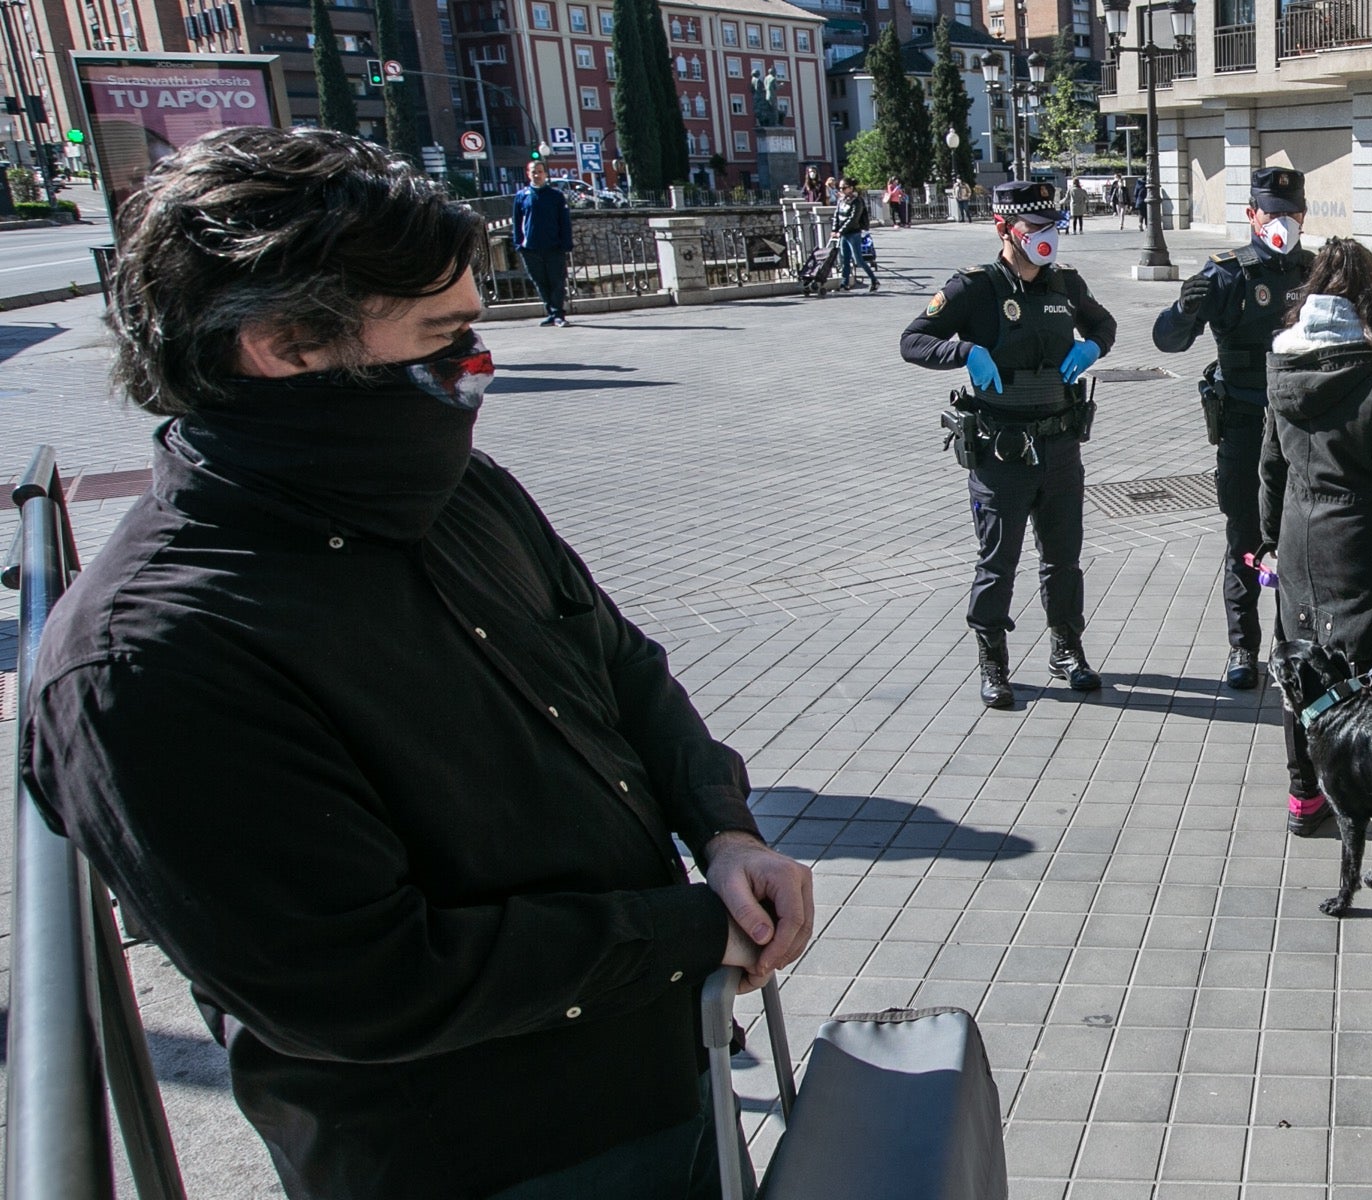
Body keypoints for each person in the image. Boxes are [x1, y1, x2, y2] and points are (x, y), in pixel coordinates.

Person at [20, 126, 815, 1200]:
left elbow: (620, 665)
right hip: (482, 1163)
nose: (479, 370)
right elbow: (364, 984)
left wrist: (719, 825)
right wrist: (687, 931)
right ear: (289, 343)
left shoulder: (457, 491)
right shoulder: (148, 662)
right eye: (445, 340)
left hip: (662, 1081)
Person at [899, 180, 1116, 708]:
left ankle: (1067, 649)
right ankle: (993, 662)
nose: (1048, 238)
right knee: (999, 561)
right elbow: (912, 339)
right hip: (1003, 451)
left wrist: (1092, 347)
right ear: (1005, 230)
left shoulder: (1065, 284)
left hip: (1061, 444)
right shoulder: (975, 288)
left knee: (1063, 558)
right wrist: (965, 351)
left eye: (1053, 227)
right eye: (1036, 229)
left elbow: (1105, 323)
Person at [1258, 236, 1372, 836]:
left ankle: (1303, 799)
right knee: (1371, 682)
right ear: (1371, 297)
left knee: (1300, 674)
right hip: (1361, 549)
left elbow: (1270, 467)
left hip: (1297, 540)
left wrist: (1267, 539)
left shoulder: (1282, 361)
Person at [1152, 165, 1314, 696]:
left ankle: (1298, 643)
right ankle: (1243, 646)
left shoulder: (1317, 272)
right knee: (1245, 537)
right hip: (1245, 424)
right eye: (1274, 214)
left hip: (1301, 430)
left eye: (1293, 214)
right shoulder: (1226, 274)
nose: (1284, 223)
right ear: (1252, 216)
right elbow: (1167, 342)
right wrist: (1183, 309)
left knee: (1302, 539)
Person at [513, 159, 573, 327]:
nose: (537, 175)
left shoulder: (556, 196)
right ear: (528, 174)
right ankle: (551, 312)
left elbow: (564, 221)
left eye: (540, 171)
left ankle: (559, 313)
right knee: (540, 282)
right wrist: (518, 244)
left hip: (554, 247)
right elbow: (517, 222)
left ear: (545, 174)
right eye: (533, 171)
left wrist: (566, 243)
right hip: (530, 248)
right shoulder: (521, 196)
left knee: (557, 281)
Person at [830, 173, 878, 292]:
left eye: (843, 188)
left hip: (854, 233)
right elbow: (836, 215)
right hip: (844, 234)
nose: (840, 190)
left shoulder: (857, 201)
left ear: (851, 188)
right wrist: (834, 229)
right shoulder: (841, 200)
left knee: (859, 261)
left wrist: (840, 231)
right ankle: (844, 284)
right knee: (844, 260)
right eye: (839, 188)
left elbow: (853, 219)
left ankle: (874, 280)